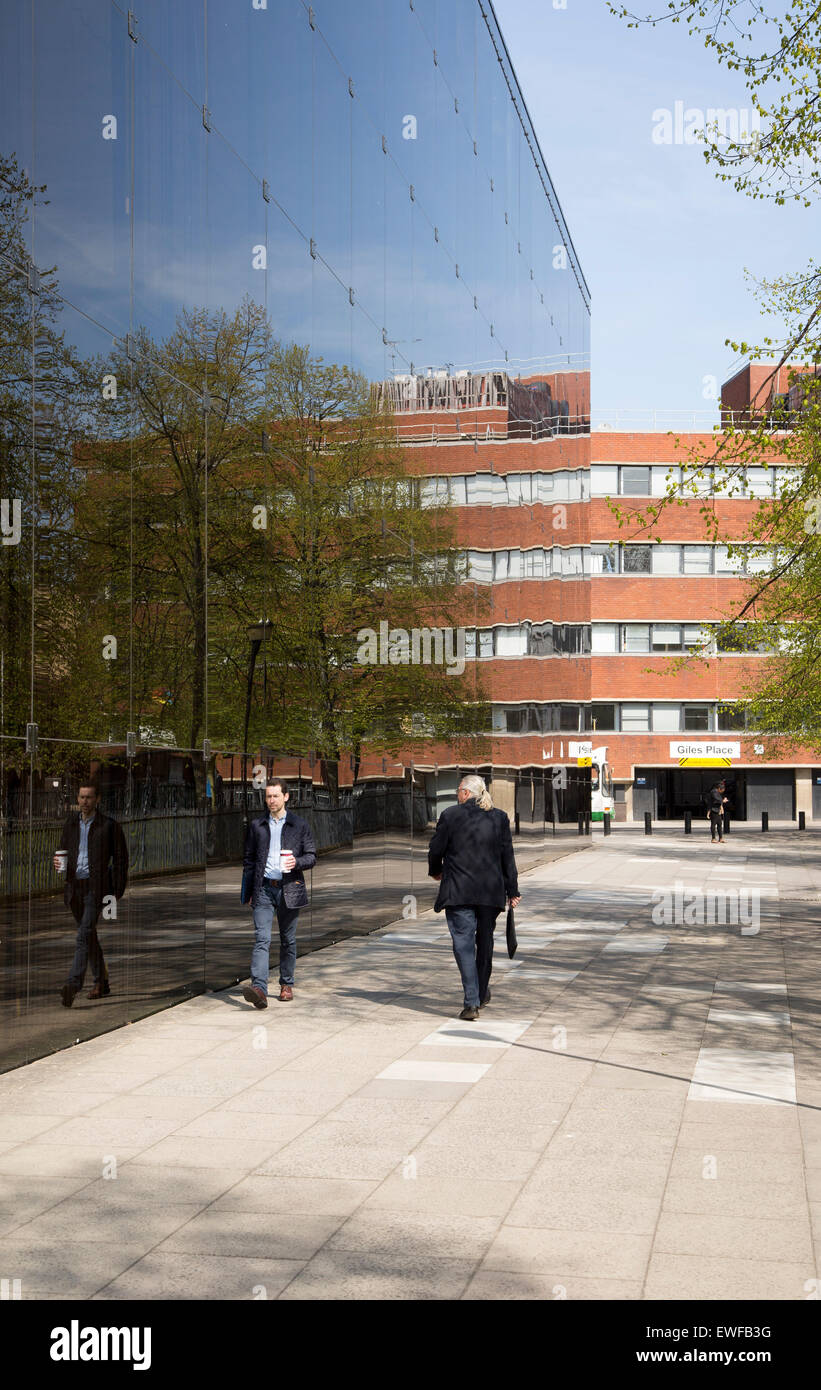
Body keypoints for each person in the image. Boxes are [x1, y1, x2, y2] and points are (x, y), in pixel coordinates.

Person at [428, 774, 520, 1021]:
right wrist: (513, 891)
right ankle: (479, 992)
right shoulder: (499, 818)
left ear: (466, 793)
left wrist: (436, 870)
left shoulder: (450, 816)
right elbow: (507, 857)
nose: (457, 795)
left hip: (458, 892)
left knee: (464, 946)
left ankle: (472, 1002)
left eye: (458, 790)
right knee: (485, 943)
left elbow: (435, 849)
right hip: (490, 893)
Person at [241, 778, 316, 1007]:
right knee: (261, 938)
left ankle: (286, 983)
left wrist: (297, 862)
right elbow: (250, 860)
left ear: (286, 797)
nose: (271, 800)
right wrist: (248, 891)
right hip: (263, 888)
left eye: (275, 796)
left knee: (287, 939)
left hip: (289, 889)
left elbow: (312, 856)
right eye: (268, 796)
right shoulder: (257, 825)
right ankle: (259, 989)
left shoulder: (299, 825)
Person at [55, 783, 129, 1007]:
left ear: (97, 799)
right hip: (75, 888)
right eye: (81, 797)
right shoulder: (71, 824)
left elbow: (120, 860)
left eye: (89, 797)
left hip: (97, 890)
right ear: (77, 799)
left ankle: (73, 984)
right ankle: (101, 981)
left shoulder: (108, 826)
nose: (84, 801)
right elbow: (63, 850)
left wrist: (116, 891)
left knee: (83, 935)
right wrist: (58, 862)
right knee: (88, 936)